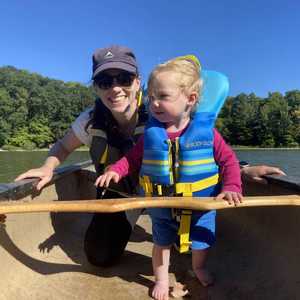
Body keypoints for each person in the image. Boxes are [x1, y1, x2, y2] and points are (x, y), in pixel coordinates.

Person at [14, 44, 285, 271]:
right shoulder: (89, 120)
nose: (115, 88)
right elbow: (62, 146)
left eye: (123, 78)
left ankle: (177, 237)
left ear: (137, 81)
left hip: (169, 193)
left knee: (188, 243)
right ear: (96, 87)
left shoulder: (162, 109)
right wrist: (48, 167)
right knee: (100, 257)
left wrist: (243, 170)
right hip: (122, 196)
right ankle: (140, 223)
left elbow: (201, 149)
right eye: (105, 81)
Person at [95, 55, 243, 300]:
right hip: (161, 206)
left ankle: (198, 268)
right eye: (151, 97)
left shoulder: (209, 134)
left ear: (191, 99)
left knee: (202, 242)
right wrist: (114, 170)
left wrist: (231, 186)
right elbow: (131, 160)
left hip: (201, 207)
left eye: (162, 97)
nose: (154, 104)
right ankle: (161, 279)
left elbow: (228, 161)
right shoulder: (151, 135)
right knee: (161, 243)